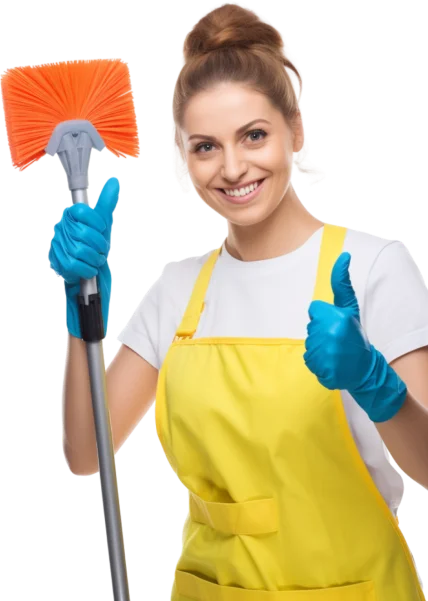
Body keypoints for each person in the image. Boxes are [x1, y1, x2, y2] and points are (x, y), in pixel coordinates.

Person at [49, 3, 428, 599]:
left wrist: (375, 384)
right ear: (184, 157)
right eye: (206, 146)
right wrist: (81, 315)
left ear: (295, 131)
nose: (232, 168)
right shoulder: (176, 290)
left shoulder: (372, 268)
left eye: (254, 135)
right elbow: (84, 453)